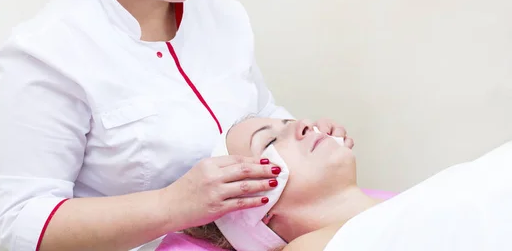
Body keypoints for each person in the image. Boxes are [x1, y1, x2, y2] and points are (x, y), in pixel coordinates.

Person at [0, 0, 354, 251]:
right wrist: (171, 206)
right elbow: (21, 224)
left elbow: (263, 116)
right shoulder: (47, 52)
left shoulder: (225, 18)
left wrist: (307, 138)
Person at [184, 117, 512, 251]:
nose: (301, 125)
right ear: (256, 210)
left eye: (288, 121)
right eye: (268, 141)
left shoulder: (420, 203)